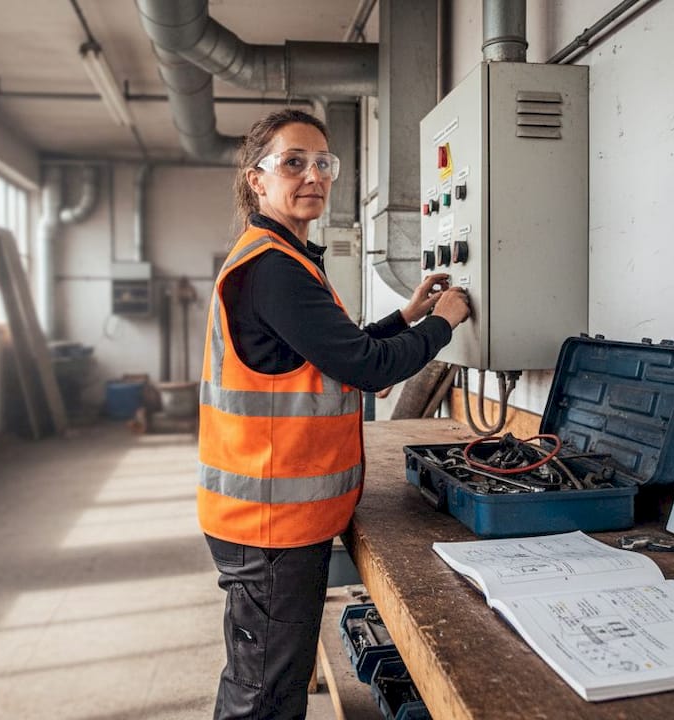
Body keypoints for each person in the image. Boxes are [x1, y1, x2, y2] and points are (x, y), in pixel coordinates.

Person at [198, 107, 471, 720]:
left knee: (267, 684)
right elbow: (369, 368)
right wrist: (443, 323)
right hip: (269, 523)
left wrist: (406, 317)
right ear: (256, 180)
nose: (313, 175)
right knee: (263, 697)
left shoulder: (284, 258)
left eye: (323, 162)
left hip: (272, 515)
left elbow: (339, 352)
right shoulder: (273, 269)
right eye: (293, 162)